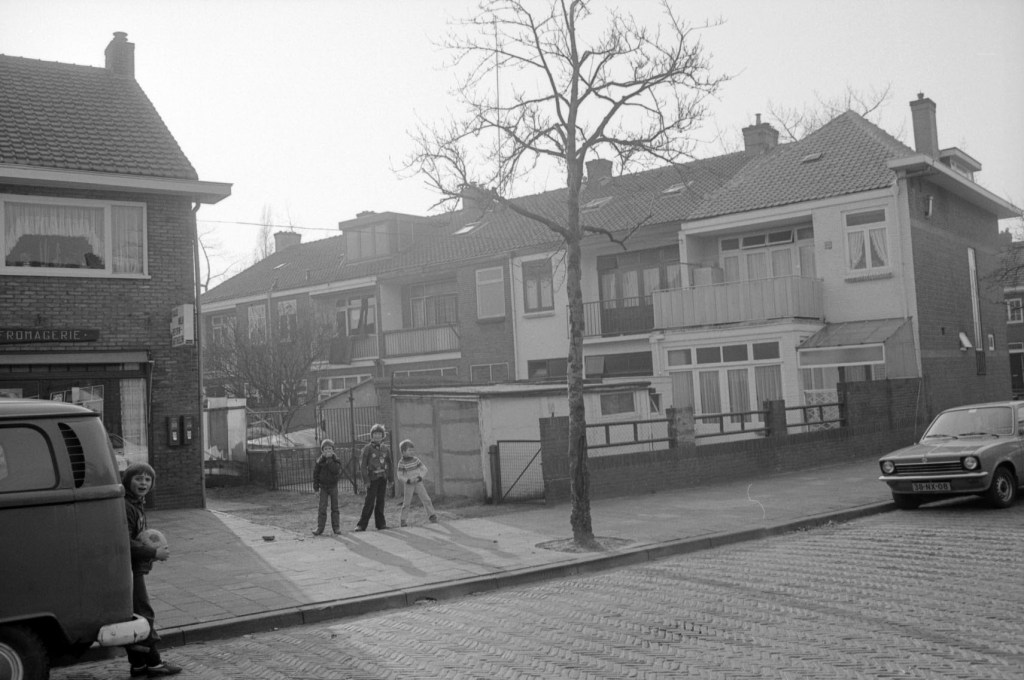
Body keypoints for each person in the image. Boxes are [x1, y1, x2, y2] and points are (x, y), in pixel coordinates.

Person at [123, 463, 181, 677]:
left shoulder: (135, 504)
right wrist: (153, 553)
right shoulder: (127, 506)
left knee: (134, 615)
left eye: (148, 480)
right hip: (128, 570)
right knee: (143, 614)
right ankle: (154, 664)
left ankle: (138, 665)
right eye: (139, 478)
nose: (144, 483)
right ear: (128, 481)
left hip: (132, 568)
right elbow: (124, 542)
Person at [355, 423, 392, 531]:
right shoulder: (367, 448)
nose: (377, 436)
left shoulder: (386, 449)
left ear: (382, 435)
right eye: (375, 434)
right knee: (369, 501)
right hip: (372, 479)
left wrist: (391, 479)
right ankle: (361, 525)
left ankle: (381, 524)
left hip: (383, 478)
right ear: (372, 435)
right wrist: (366, 480)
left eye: (379, 434)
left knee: (381, 501)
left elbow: (390, 464)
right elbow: (362, 466)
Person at [395, 439, 438, 527]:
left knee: (426, 498)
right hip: (408, 484)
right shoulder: (401, 463)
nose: (412, 452)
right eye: (409, 450)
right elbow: (399, 475)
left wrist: (419, 477)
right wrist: (407, 480)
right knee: (406, 502)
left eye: (412, 450)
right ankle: (403, 520)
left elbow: (424, 469)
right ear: (403, 452)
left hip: (418, 483)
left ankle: (432, 515)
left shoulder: (416, 460)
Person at [312, 439, 343, 535]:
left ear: (333, 450)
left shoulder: (336, 460)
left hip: (333, 487)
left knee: (335, 508)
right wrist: (316, 489)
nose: (328, 451)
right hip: (323, 488)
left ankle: (336, 528)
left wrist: (329, 459)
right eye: (325, 449)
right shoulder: (319, 461)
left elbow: (335, 470)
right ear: (322, 451)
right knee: (322, 508)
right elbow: (315, 475)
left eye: (330, 448)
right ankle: (320, 528)